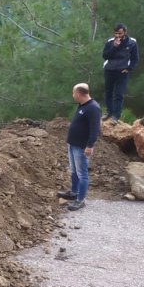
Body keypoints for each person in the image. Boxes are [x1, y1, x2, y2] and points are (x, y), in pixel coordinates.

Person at [58, 83, 101, 211]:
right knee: (74, 171)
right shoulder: (82, 105)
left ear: (78, 93)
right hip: (72, 144)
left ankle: (80, 200)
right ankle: (74, 192)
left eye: (73, 92)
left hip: (82, 146)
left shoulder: (93, 108)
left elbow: (95, 129)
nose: (72, 95)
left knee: (82, 173)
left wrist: (90, 145)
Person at [102, 23, 139, 124]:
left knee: (119, 94)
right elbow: (105, 56)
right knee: (108, 92)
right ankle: (109, 112)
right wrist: (114, 47)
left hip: (122, 72)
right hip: (109, 70)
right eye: (116, 33)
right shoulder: (110, 42)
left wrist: (129, 68)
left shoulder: (132, 42)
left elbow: (135, 58)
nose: (118, 35)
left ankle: (116, 116)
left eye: (120, 33)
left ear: (125, 32)